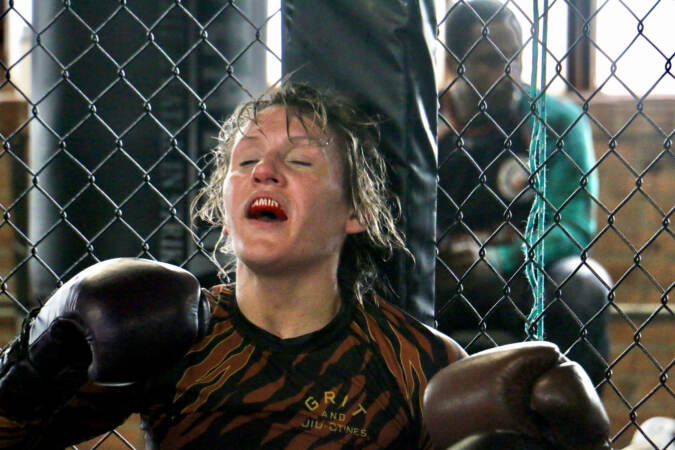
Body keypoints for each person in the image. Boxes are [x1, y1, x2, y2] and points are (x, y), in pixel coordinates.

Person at [0, 83, 609, 449]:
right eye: (246, 162)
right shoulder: (167, 333)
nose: (264, 172)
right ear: (224, 204)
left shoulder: (418, 364)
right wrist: (31, 364)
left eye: (301, 161)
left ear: (355, 212)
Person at [435, 0, 611, 387]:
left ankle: (574, 433)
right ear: (454, 61)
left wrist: (499, 258)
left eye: (516, 58)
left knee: (583, 283)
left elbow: (574, 226)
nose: (509, 73)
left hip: (525, 280)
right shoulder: (426, 127)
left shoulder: (557, 122)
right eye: (490, 61)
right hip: (445, 280)